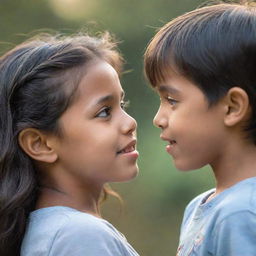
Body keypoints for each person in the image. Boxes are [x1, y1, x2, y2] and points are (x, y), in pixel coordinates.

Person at [0, 32, 140, 256]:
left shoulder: (45, 233)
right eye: (104, 112)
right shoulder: (79, 236)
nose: (130, 123)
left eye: (122, 104)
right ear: (40, 144)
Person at [144, 2, 256, 255]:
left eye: (172, 101)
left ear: (232, 107)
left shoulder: (242, 213)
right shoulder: (201, 206)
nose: (158, 119)